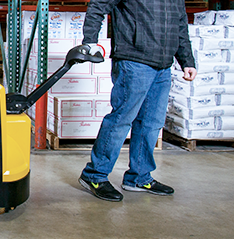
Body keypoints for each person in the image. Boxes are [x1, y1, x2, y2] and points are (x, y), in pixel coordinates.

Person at [78, 0, 198, 202]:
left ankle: (139, 177)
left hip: (162, 66)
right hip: (134, 60)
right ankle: (94, 175)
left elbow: (180, 26)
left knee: (151, 123)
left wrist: (187, 61)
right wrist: (90, 41)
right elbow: (98, 5)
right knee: (120, 120)